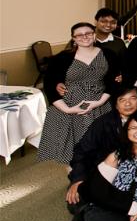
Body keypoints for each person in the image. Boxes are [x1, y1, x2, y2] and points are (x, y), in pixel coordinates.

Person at [60, 88, 137, 221]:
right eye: (122, 99)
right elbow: (81, 151)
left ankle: (93, 211)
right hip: (99, 172)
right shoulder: (103, 123)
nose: (128, 103)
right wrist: (78, 179)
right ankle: (84, 215)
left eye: (132, 98)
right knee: (74, 202)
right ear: (116, 104)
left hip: (130, 174)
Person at [39, 22, 120, 165]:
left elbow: (112, 81)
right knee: (70, 151)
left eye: (88, 33)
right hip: (69, 107)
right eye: (79, 35)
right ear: (74, 38)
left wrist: (99, 102)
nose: (84, 37)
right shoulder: (63, 57)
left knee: (102, 148)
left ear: (94, 35)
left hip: (101, 105)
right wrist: (67, 109)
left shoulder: (108, 54)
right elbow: (50, 84)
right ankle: (74, 177)